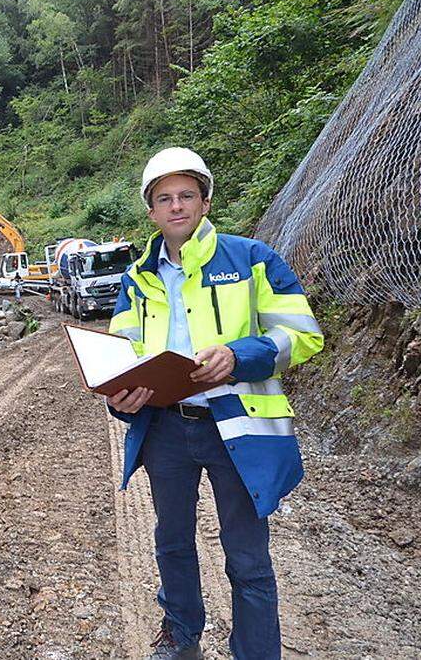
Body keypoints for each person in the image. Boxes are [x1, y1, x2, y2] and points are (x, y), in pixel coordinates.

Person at [106, 147, 324, 660]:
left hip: (237, 426)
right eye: (164, 198)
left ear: (205, 203)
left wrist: (238, 355)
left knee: (247, 557)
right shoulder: (136, 278)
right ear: (151, 210)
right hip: (164, 429)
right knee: (172, 543)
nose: (176, 206)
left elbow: (303, 334)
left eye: (186, 195)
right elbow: (120, 357)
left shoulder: (251, 258)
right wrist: (122, 396)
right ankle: (182, 638)